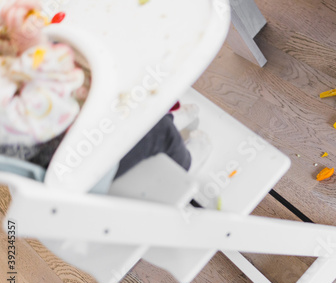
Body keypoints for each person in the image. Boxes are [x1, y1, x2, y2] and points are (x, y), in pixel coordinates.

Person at [0, 0, 209, 181]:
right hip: (73, 153)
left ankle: (162, 115)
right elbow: (51, 99)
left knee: (125, 76)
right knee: (158, 131)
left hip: (62, 111)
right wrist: (33, 44)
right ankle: (186, 166)